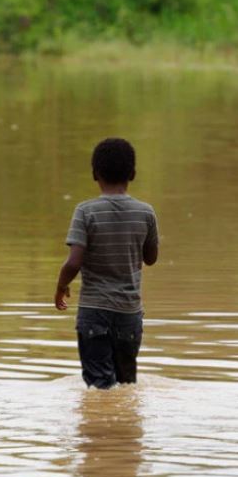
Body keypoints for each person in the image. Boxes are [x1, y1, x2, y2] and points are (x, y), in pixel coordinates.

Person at [54, 138, 159, 389]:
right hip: (129, 314)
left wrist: (60, 286)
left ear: (94, 174)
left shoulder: (85, 212)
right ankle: (124, 428)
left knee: (100, 387)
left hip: (94, 312)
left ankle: (101, 427)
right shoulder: (146, 213)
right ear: (132, 174)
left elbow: (74, 262)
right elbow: (151, 258)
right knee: (126, 386)